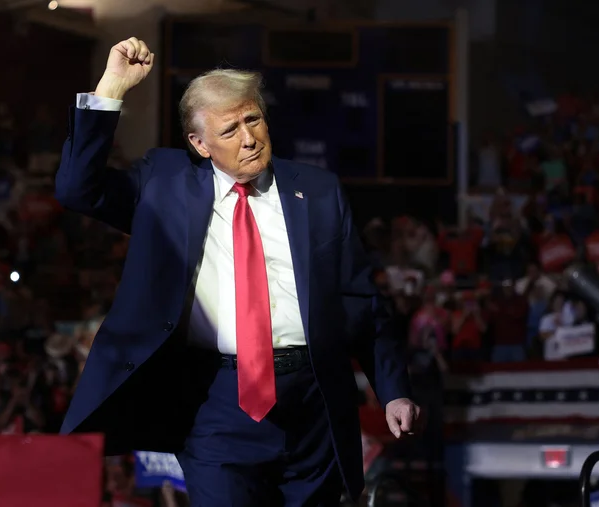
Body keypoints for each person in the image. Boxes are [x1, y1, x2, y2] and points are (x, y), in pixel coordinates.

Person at [56, 37, 420, 506]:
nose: (249, 138)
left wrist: (392, 390)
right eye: (230, 130)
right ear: (199, 143)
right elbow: (75, 189)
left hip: (314, 404)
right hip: (213, 405)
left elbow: (361, 301)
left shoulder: (318, 190)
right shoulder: (163, 184)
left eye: (254, 119)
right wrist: (112, 89)